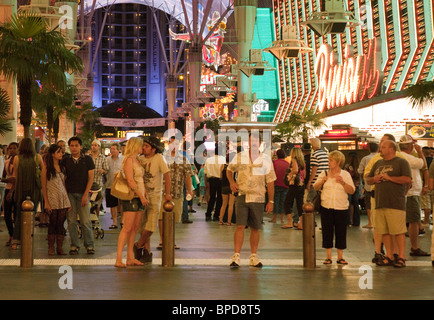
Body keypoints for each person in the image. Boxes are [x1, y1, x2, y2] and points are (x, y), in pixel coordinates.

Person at [227, 132, 276, 268]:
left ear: (260, 143)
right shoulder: (239, 157)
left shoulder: (266, 159)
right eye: (251, 140)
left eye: (256, 140)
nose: (253, 142)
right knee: (240, 226)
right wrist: (231, 182)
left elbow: (270, 181)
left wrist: (270, 201)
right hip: (242, 195)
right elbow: (229, 170)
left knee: (255, 227)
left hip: (258, 197)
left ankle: (253, 256)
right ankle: (236, 255)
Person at [366, 139, 412, 268]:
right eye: (381, 147)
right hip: (380, 201)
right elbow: (368, 179)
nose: (381, 149)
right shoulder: (378, 163)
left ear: (391, 149)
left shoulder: (401, 162)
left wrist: (390, 178)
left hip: (395, 202)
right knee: (384, 231)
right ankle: (389, 255)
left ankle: (401, 256)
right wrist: (374, 179)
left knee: (398, 231)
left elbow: (407, 179)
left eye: (384, 147)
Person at [314, 150, 355, 265]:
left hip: (341, 207)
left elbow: (351, 190)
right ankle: (328, 257)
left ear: (338, 162)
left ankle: (340, 257)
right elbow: (315, 187)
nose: (329, 162)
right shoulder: (324, 173)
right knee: (327, 231)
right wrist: (322, 181)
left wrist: (342, 182)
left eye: (331, 160)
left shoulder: (345, 174)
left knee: (341, 231)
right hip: (326, 206)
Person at [134, 136, 171, 263]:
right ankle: (147, 252)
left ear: (154, 149)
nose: (143, 148)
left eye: (146, 146)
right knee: (143, 225)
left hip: (155, 195)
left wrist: (168, 193)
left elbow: (167, 176)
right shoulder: (140, 159)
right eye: (143, 146)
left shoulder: (159, 158)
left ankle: (138, 245)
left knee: (151, 226)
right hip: (142, 195)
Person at [115, 137, 149, 268]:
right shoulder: (129, 160)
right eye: (142, 145)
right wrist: (141, 195)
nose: (143, 148)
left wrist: (143, 193)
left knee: (134, 228)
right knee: (127, 228)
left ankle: (130, 257)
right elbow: (130, 180)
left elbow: (140, 180)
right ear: (136, 146)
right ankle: (119, 258)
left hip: (139, 196)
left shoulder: (137, 160)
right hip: (132, 197)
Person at [61, 136, 95, 255]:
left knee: (85, 221)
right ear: (69, 147)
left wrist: (86, 194)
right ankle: (74, 245)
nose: (74, 148)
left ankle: (89, 245)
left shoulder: (88, 159)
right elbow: (63, 178)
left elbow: (91, 178)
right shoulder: (65, 160)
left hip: (83, 193)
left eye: (76, 145)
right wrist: (65, 195)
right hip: (69, 193)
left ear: (80, 146)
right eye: (71, 146)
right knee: (71, 221)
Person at [157, 137, 193, 249]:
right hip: (162, 192)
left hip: (177, 192)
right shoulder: (162, 158)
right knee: (161, 217)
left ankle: (171, 240)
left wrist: (189, 190)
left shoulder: (183, 159)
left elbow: (187, 176)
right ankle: (162, 240)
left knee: (175, 218)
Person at [398, 135, 430, 257]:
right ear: (410, 146)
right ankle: (414, 247)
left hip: (409, 193)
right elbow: (423, 165)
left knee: (414, 220)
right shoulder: (409, 158)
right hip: (411, 194)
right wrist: (420, 151)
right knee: (413, 220)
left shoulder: (402, 156)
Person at [10, 138, 44, 250]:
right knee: (31, 215)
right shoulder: (37, 157)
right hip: (34, 189)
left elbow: (17, 175)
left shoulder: (16, 158)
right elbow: (43, 173)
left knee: (19, 215)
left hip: (20, 189)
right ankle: (28, 238)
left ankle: (16, 241)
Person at [41, 144, 71, 255]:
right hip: (52, 197)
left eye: (61, 152)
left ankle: (59, 247)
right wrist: (46, 202)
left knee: (60, 223)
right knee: (52, 223)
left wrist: (67, 200)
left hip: (62, 197)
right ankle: (50, 247)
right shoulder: (46, 168)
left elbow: (64, 185)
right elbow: (43, 186)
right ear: (53, 154)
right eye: (59, 152)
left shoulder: (62, 167)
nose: (61, 154)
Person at [282, 147, 305, 230]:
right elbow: (304, 175)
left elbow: (295, 170)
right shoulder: (302, 162)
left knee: (287, 202)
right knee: (299, 204)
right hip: (301, 185)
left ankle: (289, 222)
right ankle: (301, 223)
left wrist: (290, 174)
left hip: (294, 185)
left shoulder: (294, 160)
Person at [358, 142, 378, 228]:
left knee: (369, 204)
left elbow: (359, 170)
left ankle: (370, 222)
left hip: (368, 185)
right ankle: (377, 222)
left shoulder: (365, 158)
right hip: (379, 185)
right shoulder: (380, 157)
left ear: (369, 148)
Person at [1, 142, 18, 246]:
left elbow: (16, 179)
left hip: (16, 190)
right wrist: (8, 180)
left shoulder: (19, 161)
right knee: (7, 215)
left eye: (14, 148)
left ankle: (16, 236)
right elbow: (3, 177)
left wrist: (9, 180)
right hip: (7, 189)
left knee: (16, 214)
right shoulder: (6, 162)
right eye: (10, 148)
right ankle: (11, 235)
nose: (12, 150)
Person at [204, 143, 225, 221]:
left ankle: (208, 214)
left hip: (211, 180)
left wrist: (206, 183)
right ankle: (216, 215)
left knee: (212, 197)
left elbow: (205, 173)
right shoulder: (223, 159)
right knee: (220, 198)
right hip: (220, 180)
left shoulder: (209, 160)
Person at [306, 138, 329, 208]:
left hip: (316, 181)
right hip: (324, 180)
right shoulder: (326, 154)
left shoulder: (314, 155)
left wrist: (310, 181)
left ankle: (310, 216)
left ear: (312, 146)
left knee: (310, 201)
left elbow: (314, 169)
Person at [105, 143, 123, 229]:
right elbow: (105, 171)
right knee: (113, 204)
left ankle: (123, 221)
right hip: (110, 184)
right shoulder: (107, 159)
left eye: (114, 149)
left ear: (118, 150)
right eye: (111, 149)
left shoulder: (123, 159)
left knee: (122, 203)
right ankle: (114, 222)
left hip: (121, 185)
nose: (112, 150)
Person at [90, 139, 109, 215]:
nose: (93, 147)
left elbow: (106, 170)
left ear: (99, 147)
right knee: (89, 204)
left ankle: (96, 220)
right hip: (88, 184)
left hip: (99, 183)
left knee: (98, 203)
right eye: (92, 145)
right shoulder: (88, 157)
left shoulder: (103, 157)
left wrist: (103, 171)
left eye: (95, 145)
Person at [271, 149, 289, 225]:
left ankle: (274, 218)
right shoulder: (287, 163)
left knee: (275, 201)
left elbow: (272, 173)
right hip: (285, 185)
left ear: (277, 155)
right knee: (283, 202)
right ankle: (282, 218)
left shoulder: (275, 163)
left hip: (276, 184)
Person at [344, 151, 361, 226]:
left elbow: (344, 176)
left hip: (349, 186)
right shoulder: (359, 167)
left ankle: (348, 221)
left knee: (348, 203)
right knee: (355, 204)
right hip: (356, 186)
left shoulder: (347, 166)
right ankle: (356, 222)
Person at [219, 152, 236, 225]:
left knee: (224, 204)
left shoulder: (223, 166)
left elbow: (221, 176)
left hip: (224, 186)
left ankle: (220, 220)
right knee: (231, 204)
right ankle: (229, 222)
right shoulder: (233, 167)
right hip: (231, 186)